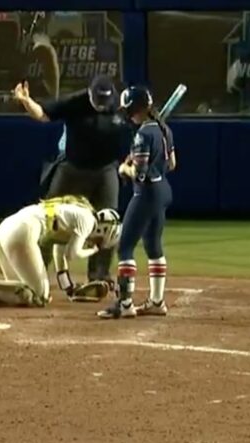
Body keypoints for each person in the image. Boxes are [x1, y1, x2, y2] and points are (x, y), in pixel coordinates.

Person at [14, 74, 128, 302]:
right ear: (89, 94)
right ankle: (34, 271)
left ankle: (100, 275)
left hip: (106, 170)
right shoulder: (75, 102)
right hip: (72, 167)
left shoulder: (121, 103)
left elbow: (136, 122)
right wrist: (27, 101)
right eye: (98, 100)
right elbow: (44, 115)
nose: (101, 106)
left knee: (109, 223)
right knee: (47, 220)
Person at [0, 195, 121, 308]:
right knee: (38, 296)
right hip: (21, 232)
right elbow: (72, 254)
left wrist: (70, 289)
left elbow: (61, 259)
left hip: (6, 229)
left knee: (16, 294)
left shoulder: (74, 217)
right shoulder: (88, 220)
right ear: (104, 231)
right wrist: (93, 250)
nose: (95, 242)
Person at [98, 86, 176, 319]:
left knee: (125, 247)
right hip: (163, 192)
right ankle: (157, 301)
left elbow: (139, 174)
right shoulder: (164, 129)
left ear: (133, 108)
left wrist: (124, 167)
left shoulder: (143, 134)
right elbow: (172, 164)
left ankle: (124, 304)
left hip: (146, 193)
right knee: (153, 247)